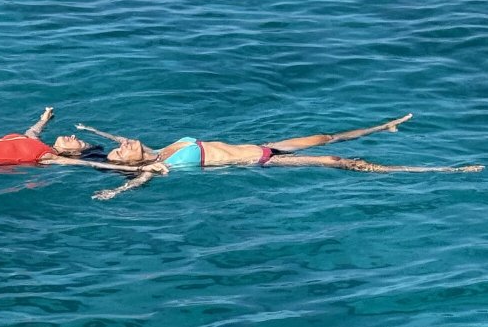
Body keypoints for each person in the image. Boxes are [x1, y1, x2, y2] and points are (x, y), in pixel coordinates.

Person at [73, 114, 484, 200]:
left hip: (265, 142)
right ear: (133, 162)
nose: (122, 143)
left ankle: (383, 126)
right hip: (263, 160)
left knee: (325, 136)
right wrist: (115, 191)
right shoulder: (160, 165)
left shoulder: (165, 147)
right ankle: (440, 169)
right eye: (120, 150)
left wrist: (102, 137)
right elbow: (141, 177)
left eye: (121, 144)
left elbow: (125, 142)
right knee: (343, 162)